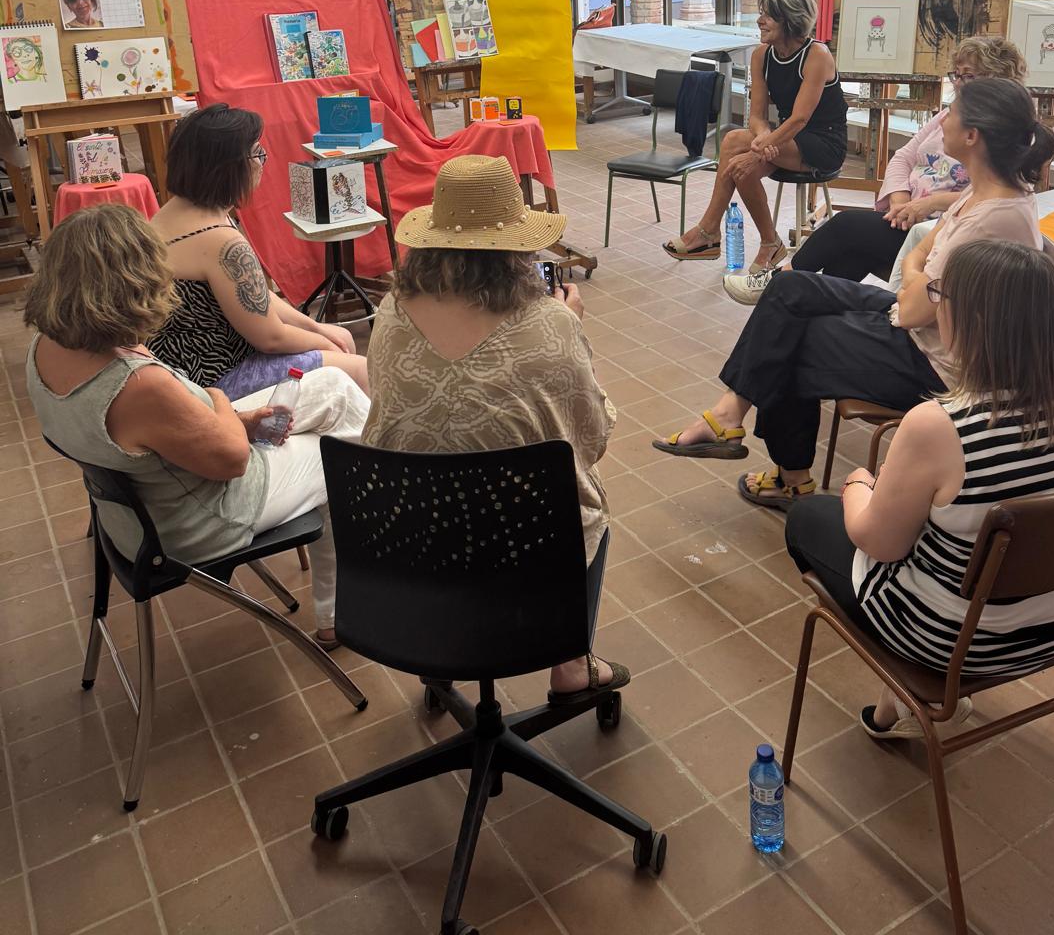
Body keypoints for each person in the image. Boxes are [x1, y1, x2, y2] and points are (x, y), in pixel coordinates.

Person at [653, 77, 1054, 510]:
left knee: (793, 337)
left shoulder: (992, 217)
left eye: (952, 114)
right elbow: (922, 253)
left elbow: (915, 301)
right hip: (922, 324)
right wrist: (917, 270)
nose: (943, 121)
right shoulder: (983, 191)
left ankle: (787, 475)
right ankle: (730, 413)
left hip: (936, 363)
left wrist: (914, 270)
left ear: (973, 136)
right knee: (789, 288)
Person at [785, 239, 1054, 738]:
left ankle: (905, 688)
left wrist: (858, 483)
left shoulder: (938, 425)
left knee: (809, 517)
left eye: (940, 293)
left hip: (956, 643)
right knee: (947, 522)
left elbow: (879, 543)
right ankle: (892, 706)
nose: (935, 304)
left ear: (972, 322)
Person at [24, 206, 369, 648]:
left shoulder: (45, 348)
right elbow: (233, 460)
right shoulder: (137, 384)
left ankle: (352, 579)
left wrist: (231, 419)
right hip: (199, 522)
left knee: (335, 388)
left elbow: (161, 430)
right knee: (340, 454)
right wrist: (221, 402)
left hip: (138, 510)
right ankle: (349, 601)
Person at [365, 154, 625, 703]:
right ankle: (570, 664)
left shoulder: (390, 311)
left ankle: (441, 656)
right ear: (517, 249)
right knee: (588, 501)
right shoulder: (551, 323)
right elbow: (592, 438)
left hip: (408, 541)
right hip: (524, 553)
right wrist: (570, 327)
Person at [723, 34, 1028, 305]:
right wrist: (900, 200)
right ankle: (798, 305)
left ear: (998, 81)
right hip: (907, 216)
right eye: (956, 75)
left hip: (939, 229)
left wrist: (927, 204)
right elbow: (903, 157)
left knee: (844, 227)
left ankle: (779, 283)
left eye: (968, 76)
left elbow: (993, 196)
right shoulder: (948, 116)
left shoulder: (1006, 134)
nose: (959, 84)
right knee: (848, 258)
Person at [148, 104, 369, 401]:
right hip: (213, 379)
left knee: (340, 341)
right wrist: (322, 341)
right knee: (360, 369)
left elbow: (254, 297)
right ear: (228, 166)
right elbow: (271, 337)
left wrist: (314, 326)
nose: (262, 162)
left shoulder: (176, 212)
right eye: (257, 153)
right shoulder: (220, 240)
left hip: (185, 368)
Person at [663, 0, 847, 275]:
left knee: (735, 143)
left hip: (823, 142)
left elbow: (800, 119)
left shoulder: (817, 55)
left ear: (789, 20)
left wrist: (760, 149)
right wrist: (763, 139)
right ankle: (769, 242)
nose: (760, 21)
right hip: (784, 139)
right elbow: (757, 116)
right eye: (761, 14)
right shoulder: (761, 55)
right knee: (740, 164)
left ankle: (709, 232)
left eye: (768, 16)